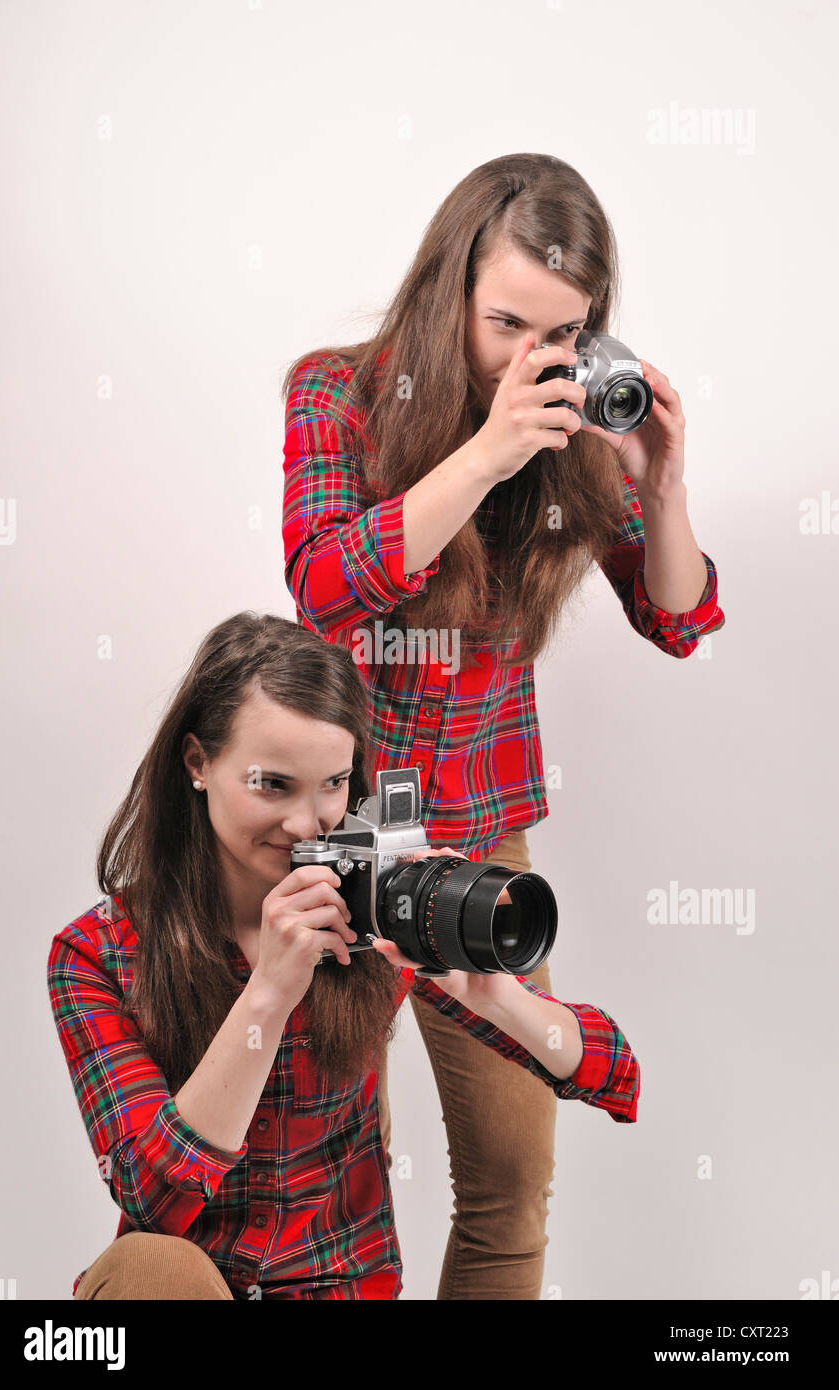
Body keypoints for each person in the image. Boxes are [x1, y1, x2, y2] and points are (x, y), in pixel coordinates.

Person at [280, 151, 725, 1300]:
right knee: (331, 1172)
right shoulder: (336, 392)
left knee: (512, 1174)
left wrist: (662, 485)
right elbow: (327, 582)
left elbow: (676, 622)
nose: (529, 355)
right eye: (503, 322)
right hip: (337, 829)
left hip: (479, 830)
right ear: (451, 285)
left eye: (561, 331)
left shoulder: (574, 425)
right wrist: (486, 451)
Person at [47, 611, 640, 1301]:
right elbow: (154, 1198)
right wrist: (267, 993)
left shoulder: (364, 912)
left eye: (331, 784)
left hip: (340, 1289)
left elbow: (611, 1072)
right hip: (186, 1290)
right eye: (271, 784)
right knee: (152, 1266)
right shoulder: (97, 953)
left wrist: (495, 996)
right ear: (197, 763)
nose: (306, 824)